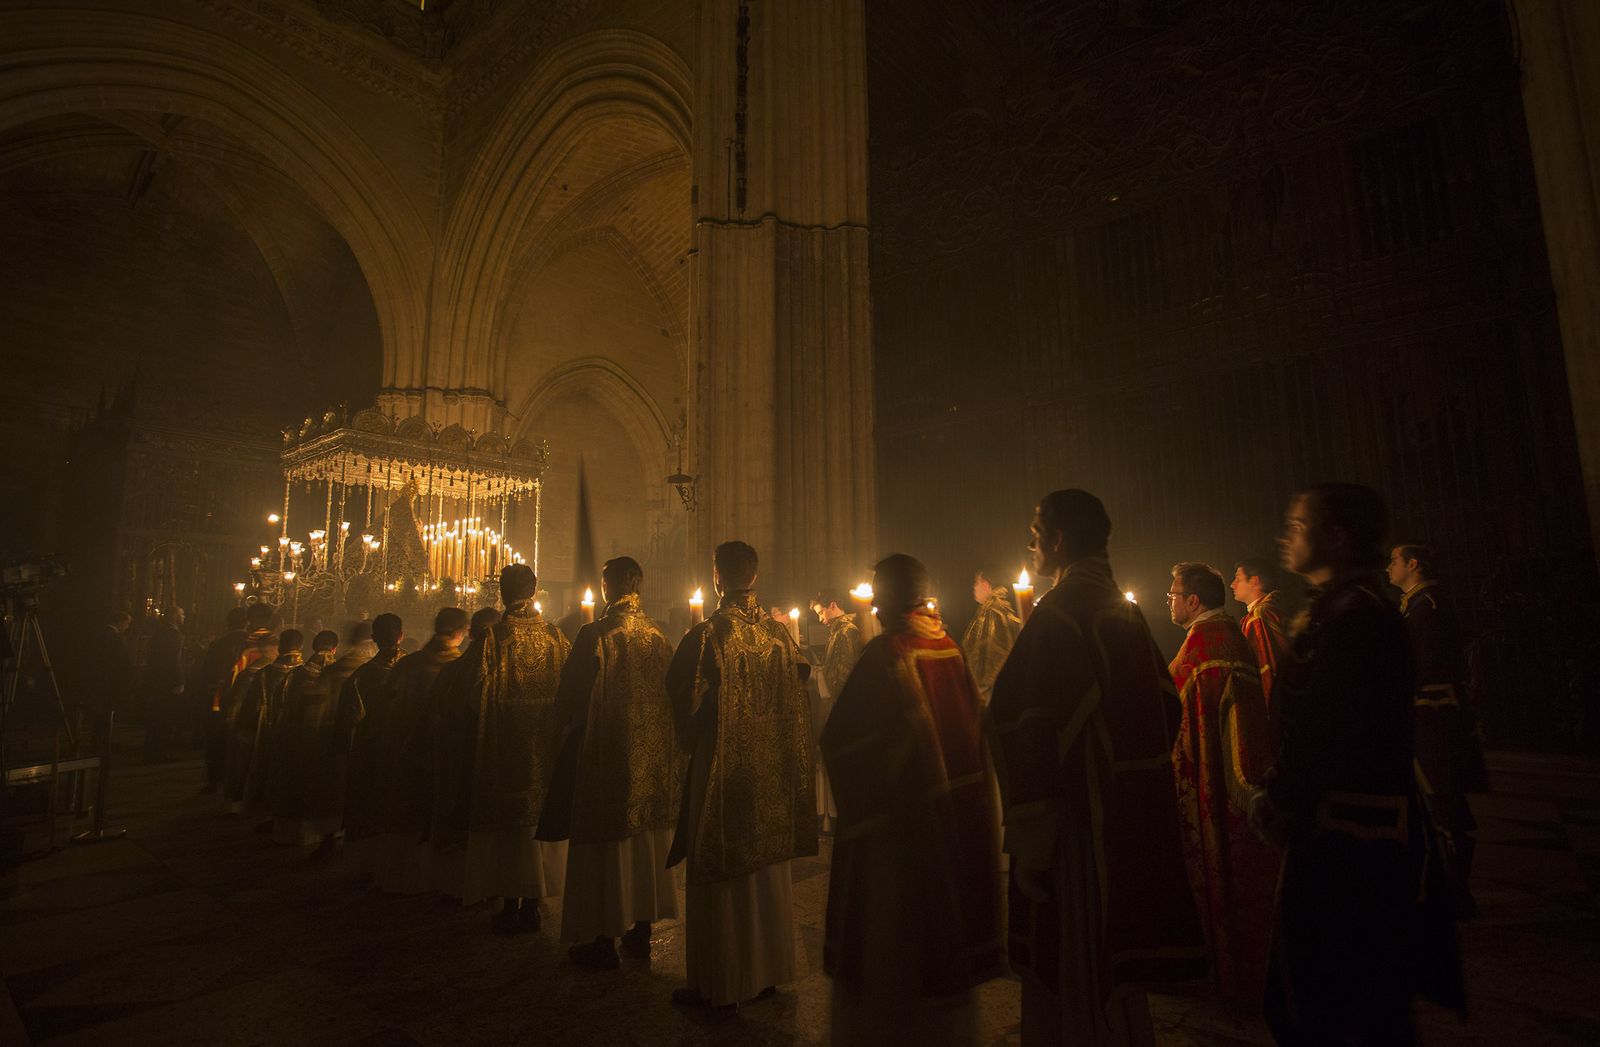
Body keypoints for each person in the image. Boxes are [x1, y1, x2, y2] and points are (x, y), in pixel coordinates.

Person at [989, 489, 1206, 1046]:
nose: (1030, 543)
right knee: (1116, 974)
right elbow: (1165, 703)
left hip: (1076, 834)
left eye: (1035, 533)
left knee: (1075, 964)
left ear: (1057, 540)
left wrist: (1033, 840)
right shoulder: (1121, 611)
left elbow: (1028, 726)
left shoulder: (1060, 614)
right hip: (1121, 822)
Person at [1252, 485, 1464, 1043]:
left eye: (1299, 525)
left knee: (1345, 1002)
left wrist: (1278, 799)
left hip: (1354, 842)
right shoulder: (1339, 610)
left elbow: (1327, 729)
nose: (1286, 536)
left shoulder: (1358, 617)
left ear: (1337, 538)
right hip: (1334, 831)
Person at [822, 554, 1003, 1044]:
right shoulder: (949, 648)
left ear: (889, 597)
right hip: (951, 828)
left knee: (895, 959)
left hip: (895, 839)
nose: (874, 603)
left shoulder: (887, 656)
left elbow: (840, 742)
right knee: (942, 938)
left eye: (877, 593)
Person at [667, 540, 817, 1008]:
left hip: (721, 767)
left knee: (724, 873)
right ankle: (769, 971)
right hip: (769, 771)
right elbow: (800, 687)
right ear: (754, 574)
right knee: (767, 871)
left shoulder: (709, 634)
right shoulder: (780, 633)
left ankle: (722, 982)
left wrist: (688, 744)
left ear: (717, 576)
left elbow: (677, 695)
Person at [547, 557, 680, 969]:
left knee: (606, 849)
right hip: (650, 761)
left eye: (604, 580)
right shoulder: (660, 636)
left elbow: (568, 694)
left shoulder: (596, 633)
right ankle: (640, 931)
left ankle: (603, 939)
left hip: (606, 757)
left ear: (610, 585)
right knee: (643, 844)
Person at [1165, 562, 1276, 1004]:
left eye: (1172, 594)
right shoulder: (1229, 636)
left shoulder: (1202, 647)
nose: (1170, 602)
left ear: (1193, 601)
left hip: (1207, 785)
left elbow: (1172, 719)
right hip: (1231, 787)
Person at [463, 564, 571, 932]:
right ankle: (535, 901)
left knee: (511, 829)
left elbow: (472, 694)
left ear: (502, 592)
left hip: (505, 749)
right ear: (536, 589)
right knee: (540, 819)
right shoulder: (557, 638)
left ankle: (512, 903)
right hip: (547, 750)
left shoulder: (492, 639)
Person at [1388, 542, 1489, 917]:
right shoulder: (1417, 605)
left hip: (1433, 720)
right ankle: (1442, 890)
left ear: (1412, 564)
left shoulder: (1427, 607)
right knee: (1434, 805)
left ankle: (1457, 894)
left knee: (1444, 804)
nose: (1387, 568)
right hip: (1424, 719)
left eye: (1394, 561)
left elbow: (1423, 667)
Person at [356, 607, 468, 894]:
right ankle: (441, 881)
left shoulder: (409, 665)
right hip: (446, 756)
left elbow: (385, 710)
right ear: (461, 632)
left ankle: (402, 877)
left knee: (406, 816)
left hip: (404, 751)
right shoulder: (462, 667)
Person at [428, 606, 501, 898]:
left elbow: (433, 715)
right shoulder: (500, 670)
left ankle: (455, 883)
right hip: (483, 756)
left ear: (471, 634)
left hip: (456, 756)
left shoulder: (454, 668)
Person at [338, 613, 407, 872]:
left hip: (371, 749)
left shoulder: (361, 676)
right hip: (406, 750)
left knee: (369, 801)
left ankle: (368, 861)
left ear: (374, 638)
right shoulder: (413, 668)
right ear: (401, 635)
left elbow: (349, 718)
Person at [266, 629, 340, 847]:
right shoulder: (339, 672)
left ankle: (292, 831)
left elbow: (279, 705)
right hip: (326, 740)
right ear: (335, 647)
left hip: (296, 738)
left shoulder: (297, 674)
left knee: (295, 783)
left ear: (313, 647)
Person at [812, 589, 862, 834]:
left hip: (842, 706)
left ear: (833, 605)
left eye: (821, 613)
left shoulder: (846, 632)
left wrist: (818, 676)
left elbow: (843, 674)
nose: (821, 619)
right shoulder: (838, 631)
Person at [242, 629, 305, 823]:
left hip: (266, 730)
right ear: (301, 647)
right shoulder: (307, 674)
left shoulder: (264, 674)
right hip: (294, 732)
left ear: (280, 647)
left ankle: (265, 814)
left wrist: (246, 727)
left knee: (265, 770)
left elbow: (250, 707)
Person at [220, 613, 280, 814]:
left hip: (253, 724)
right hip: (250, 724)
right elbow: (236, 700)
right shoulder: (257, 671)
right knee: (245, 764)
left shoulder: (262, 670)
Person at [198, 607, 249, 793]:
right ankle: (237, 781)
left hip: (219, 697)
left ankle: (214, 779)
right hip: (244, 698)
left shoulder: (218, 644)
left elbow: (206, 673)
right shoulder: (251, 644)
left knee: (216, 738)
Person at [1230, 558, 1290, 710]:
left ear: (1255, 581)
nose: (1232, 584)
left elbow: (1267, 666)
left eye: (1238, 579)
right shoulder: (1270, 609)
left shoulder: (1260, 615)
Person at [959, 565, 1021, 702]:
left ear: (986, 585)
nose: (974, 587)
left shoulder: (992, 613)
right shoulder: (1006, 611)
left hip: (990, 695)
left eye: (976, 582)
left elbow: (987, 659)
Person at [139, 606, 185, 763]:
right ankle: (157, 752)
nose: (184, 617)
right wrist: (178, 680)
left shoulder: (159, 632)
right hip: (167, 682)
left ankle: (151, 751)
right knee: (164, 718)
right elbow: (173, 659)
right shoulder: (173, 633)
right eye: (182, 614)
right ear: (175, 616)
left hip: (156, 680)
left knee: (155, 717)